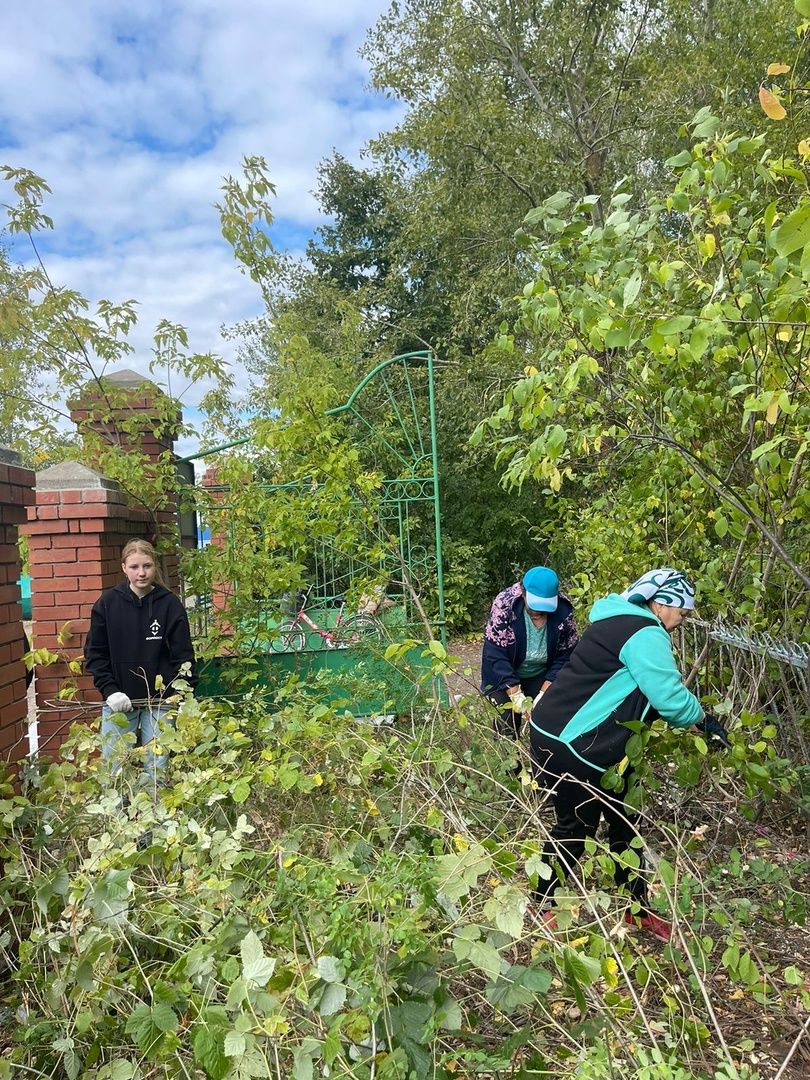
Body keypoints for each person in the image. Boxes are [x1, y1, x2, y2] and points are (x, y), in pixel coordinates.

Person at [528, 567, 728, 941]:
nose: (681, 621)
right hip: (573, 744)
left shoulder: (617, 618)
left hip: (557, 733)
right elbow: (668, 698)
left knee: (624, 821)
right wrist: (706, 723)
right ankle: (541, 905)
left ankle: (636, 909)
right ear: (662, 603)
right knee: (576, 827)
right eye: (682, 613)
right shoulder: (646, 632)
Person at [84, 539, 196, 784]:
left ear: (155, 566)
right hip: (119, 700)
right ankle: (115, 819)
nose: (141, 573)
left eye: (147, 565)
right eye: (134, 566)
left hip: (160, 701)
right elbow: (95, 654)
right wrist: (110, 690)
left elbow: (183, 656)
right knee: (114, 765)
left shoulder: (169, 605)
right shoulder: (107, 604)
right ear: (124, 567)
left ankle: (157, 819)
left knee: (159, 766)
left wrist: (183, 694)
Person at [481, 566, 579, 738]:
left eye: (543, 608)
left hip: (540, 674)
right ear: (523, 592)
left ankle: (541, 762)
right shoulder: (505, 605)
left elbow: (566, 655)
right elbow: (495, 653)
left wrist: (544, 691)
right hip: (501, 675)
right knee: (508, 719)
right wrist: (515, 694)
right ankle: (510, 762)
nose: (537, 611)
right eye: (534, 606)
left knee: (548, 715)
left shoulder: (563, 611)